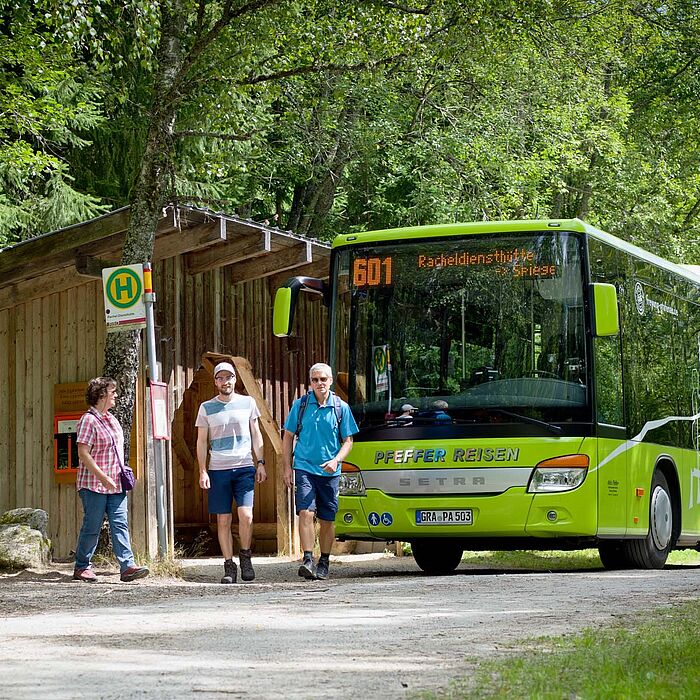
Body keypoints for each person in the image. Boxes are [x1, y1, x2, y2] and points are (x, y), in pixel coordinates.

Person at [282, 363, 359, 580]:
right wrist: (287, 467)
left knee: (327, 519)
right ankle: (307, 558)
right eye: (315, 380)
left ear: (331, 380)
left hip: (330, 472)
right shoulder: (301, 405)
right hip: (305, 467)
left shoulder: (340, 407)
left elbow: (348, 441)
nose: (319, 383)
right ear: (310, 383)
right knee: (305, 512)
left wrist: (336, 460)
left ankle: (324, 561)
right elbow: (287, 437)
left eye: (323, 379)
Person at [73, 377, 149, 583]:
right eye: (112, 391)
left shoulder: (112, 419)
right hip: (93, 484)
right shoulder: (88, 420)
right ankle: (81, 566)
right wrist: (102, 477)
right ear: (101, 394)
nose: (116, 395)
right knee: (92, 526)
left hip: (115, 483)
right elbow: (83, 453)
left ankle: (127, 567)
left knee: (120, 523)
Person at [196, 361, 267, 583]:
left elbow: (256, 434)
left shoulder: (248, 403)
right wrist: (203, 470)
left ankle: (245, 556)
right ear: (215, 381)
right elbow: (201, 441)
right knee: (223, 520)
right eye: (220, 378)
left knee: (246, 515)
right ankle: (229, 566)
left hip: (244, 466)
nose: (224, 381)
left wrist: (261, 462)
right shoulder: (206, 407)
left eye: (228, 377)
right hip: (218, 469)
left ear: (235, 379)